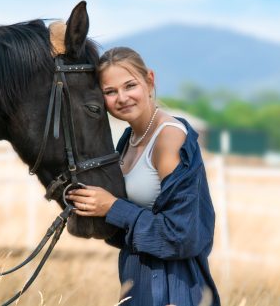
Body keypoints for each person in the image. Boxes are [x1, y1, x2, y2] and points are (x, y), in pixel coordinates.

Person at [66, 47, 220, 306]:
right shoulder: (127, 141)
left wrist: (112, 206)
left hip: (175, 287)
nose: (122, 98)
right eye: (110, 92)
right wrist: (89, 209)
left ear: (150, 80)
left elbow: (181, 236)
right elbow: (128, 230)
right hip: (137, 280)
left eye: (130, 86)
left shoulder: (169, 139)